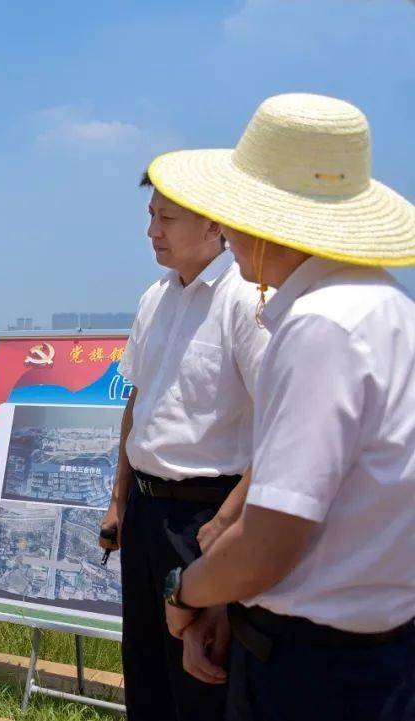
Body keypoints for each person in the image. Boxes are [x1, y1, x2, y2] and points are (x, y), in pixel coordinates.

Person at [156, 93, 415, 721]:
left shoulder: (320, 326)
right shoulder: (387, 307)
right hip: (378, 654)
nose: (230, 232)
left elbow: (270, 544)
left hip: (313, 669)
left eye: (236, 215)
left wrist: (184, 590)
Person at [99, 170, 270, 719]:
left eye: (166, 218)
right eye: (151, 216)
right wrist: (119, 502)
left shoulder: (246, 301)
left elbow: (280, 426)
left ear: (214, 224)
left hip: (208, 515)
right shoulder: (155, 299)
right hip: (148, 515)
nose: (153, 231)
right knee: (146, 669)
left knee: (203, 681)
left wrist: (225, 529)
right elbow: (138, 405)